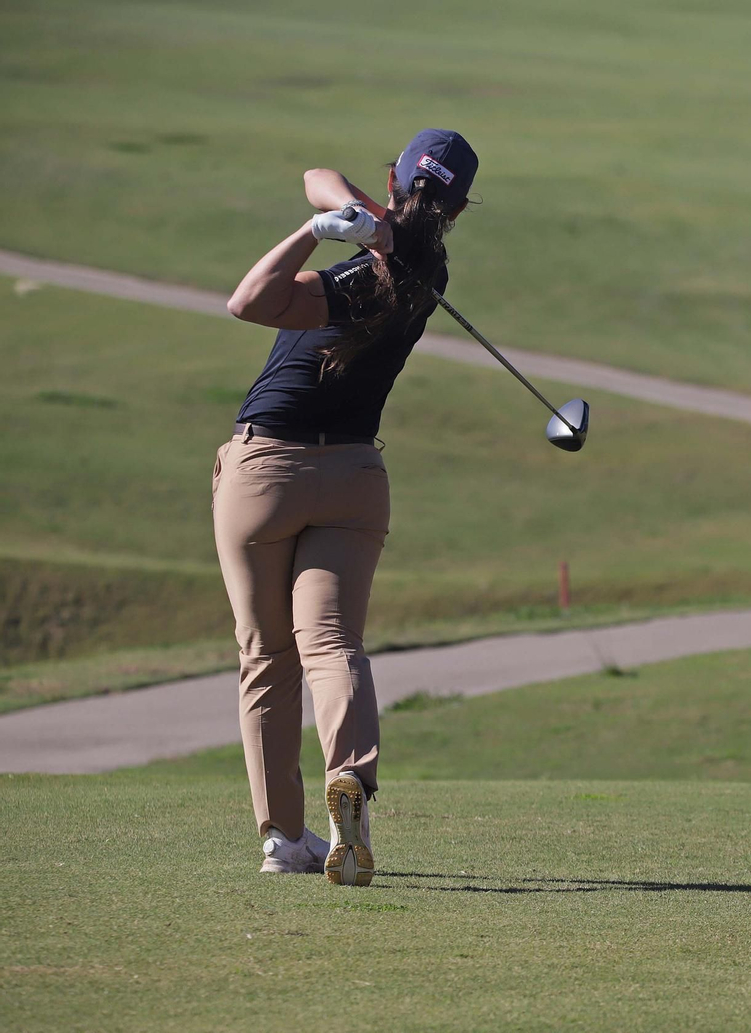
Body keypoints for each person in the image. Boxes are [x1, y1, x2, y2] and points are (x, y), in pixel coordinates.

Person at [215, 129, 478, 885]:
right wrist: (363, 222)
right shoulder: (427, 269)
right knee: (332, 645)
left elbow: (248, 301)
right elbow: (320, 175)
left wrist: (315, 231)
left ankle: (282, 839)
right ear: (458, 210)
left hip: (266, 472)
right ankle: (350, 782)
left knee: (268, 657)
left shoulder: (358, 279)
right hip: (355, 477)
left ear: (393, 178)